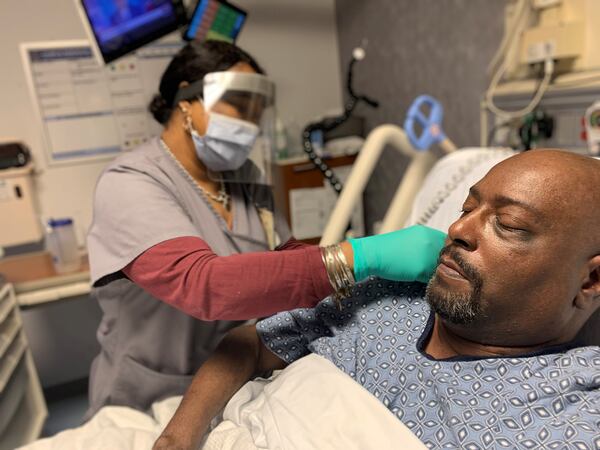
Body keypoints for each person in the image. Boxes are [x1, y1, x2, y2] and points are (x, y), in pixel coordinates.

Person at [85, 40, 446, 418]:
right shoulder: (130, 182)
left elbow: (285, 263)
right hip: (153, 395)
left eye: (257, 110)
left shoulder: (245, 181)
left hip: (237, 383)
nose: (250, 122)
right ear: (186, 98)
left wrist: (363, 283)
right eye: (239, 104)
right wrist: (361, 257)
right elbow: (205, 285)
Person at [154, 149, 600, 449]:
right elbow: (251, 343)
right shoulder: (386, 295)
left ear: (590, 280)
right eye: (467, 209)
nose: (459, 230)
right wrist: (175, 441)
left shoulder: (570, 410)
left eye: (508, 224)